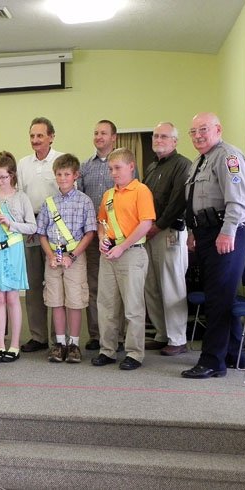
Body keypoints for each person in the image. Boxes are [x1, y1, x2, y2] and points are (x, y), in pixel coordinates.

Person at [181, 112, 245, 379]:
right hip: (206, 232)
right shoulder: (200, 160)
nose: (197, 135)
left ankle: (212, 362)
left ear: (218, 129)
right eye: (193, 131)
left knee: (218, 298)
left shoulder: (228, 157)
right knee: (221, 295)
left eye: (203, 129)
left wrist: (227, 232)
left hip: (226, 231)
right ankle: (234, 354)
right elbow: (194, 202)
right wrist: (193, 231)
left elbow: (239, 201)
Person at [91, 148, 155, 370]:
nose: (113, 173)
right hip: (109, 254)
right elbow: (102, 222)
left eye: (117, 168)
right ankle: (107, 349)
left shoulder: (141, 190)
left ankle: (134, 353)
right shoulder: (108, 195)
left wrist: (122, 247)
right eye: (110, 169)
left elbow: (146, 223)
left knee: (133, 306)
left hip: (132, 253)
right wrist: (101, 239)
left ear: (131, 166)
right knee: (106, 304)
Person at [37, 154, 96, 363]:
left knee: (75, 301)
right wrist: (51, 255)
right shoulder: (49, 203)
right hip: (53, 258)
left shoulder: (84, 201)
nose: (62, 178)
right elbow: (41, 232)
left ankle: (74, 344)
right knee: (55, 300)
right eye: (59, 174)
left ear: (75, 175)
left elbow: (89, 233)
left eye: (67, 174)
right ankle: (59, 343)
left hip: (75, 258)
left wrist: (72, 255)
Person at [0, 151, 37, 363]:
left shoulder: (21, 197)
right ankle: (1, 344)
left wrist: (10, 223)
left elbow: (32, 226)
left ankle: (14, 344)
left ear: (12, 175)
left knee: (12, 297)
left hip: (12, 250)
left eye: (3, 177)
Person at [142, 122, 191, 356]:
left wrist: (158, 226)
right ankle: (162, 334)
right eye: (155, 136)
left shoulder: (183, 165)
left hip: (169, 232)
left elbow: (178, 201)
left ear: (174, 141)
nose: (158, 139)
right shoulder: (152, 167)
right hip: (149, 233)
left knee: (172, 285)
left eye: (164, 136)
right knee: (151, 286)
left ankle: (178, 338)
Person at [16, 117, 63, 353]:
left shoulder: (61, 160)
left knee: (55, 283)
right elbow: (20, 197)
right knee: (33, 284)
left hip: (57, 230)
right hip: (32, 230)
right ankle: (38, 336)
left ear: (51, 136)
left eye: (40, 136)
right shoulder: (23, 163)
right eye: (32, 136)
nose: (35, 140)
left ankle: (59, 336)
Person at [77, 120, 118, 351]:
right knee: (93, 286)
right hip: (93, 237)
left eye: (104, 133)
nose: (99, 136)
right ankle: (95, 334)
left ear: (114, 137)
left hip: (118, 238)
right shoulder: (85, 167)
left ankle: (116, 336)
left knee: (115, 288)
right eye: (96, 133)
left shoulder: (122, 164)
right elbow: (80, 200)